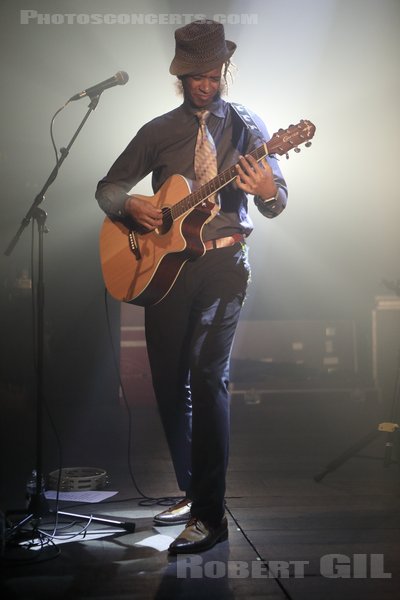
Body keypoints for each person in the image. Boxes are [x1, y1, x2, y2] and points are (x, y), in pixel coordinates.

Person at [96, 19, 287, 554]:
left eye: (215, 73)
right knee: (167, 385)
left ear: (225, 70)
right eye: (197, 75)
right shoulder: (157, 131)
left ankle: (209, 514)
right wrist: (129, 204)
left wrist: (269, 189)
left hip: (225, 265)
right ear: (180, 75)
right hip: (165, 270)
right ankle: (192, 486)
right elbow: (107, 187)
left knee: (207, 376)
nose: (208, 83)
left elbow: (277, 198)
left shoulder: (250, 127)